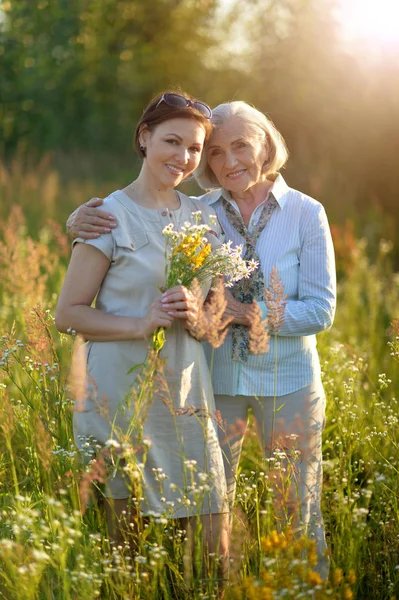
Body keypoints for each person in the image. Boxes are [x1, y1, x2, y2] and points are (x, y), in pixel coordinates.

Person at [67, 100, 336, 578]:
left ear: (265, 147)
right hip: (195, 383)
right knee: (173, 524)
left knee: (285, 514)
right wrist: (77, 222)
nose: (226, 161)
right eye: (212, 152)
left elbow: (317, 309)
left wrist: (230, 313)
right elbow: (89, 283)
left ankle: (305, 587)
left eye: (238, 147)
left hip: (261, 381)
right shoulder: (190, 211)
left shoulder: (288, 213)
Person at [56, 91, 229, 563]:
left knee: (211, 530)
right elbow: (68, 313)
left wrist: (198, 318)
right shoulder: (107, 216)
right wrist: (142, 322)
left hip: (185, 392)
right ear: (144, 137)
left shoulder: (203, 217)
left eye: (194, 149)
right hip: (120, 392)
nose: (184, 157)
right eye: (172, 141)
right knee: (125, 550)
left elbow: (213, 319)